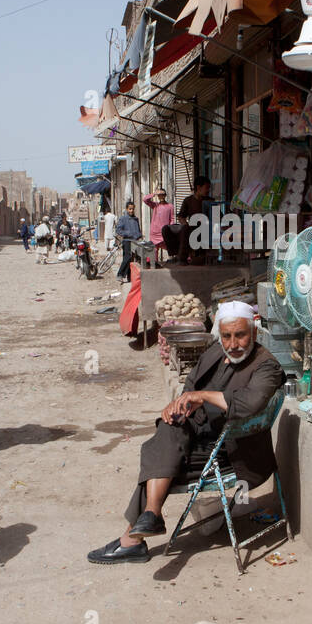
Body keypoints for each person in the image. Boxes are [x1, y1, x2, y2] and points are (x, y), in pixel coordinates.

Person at [88, 302, 285, 564]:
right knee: (169, 428)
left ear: (255, 333)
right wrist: (178, 406)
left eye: (241, 335)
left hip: (233, 449)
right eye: (227, 336)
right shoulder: (215, 352)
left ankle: (135, 536)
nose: (234, 343)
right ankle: (149, 516)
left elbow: (249, 403)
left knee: (160, 461)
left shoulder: (266, 366)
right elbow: (190, 385)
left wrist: (202, 397)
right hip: (198, 436)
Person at [162, 175, 211, 265]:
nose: (208, 190)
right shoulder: (188, 200)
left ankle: (182, 259)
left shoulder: (210, 201)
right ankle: (176, 255)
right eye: (206, 188)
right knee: (166, 229)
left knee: (185, 230)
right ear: (198, 187)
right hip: (191, 228)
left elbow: (219, 217)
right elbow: (181, 217)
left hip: (204, 231)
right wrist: (186, 224)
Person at [143, 187, 174, 266]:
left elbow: (172, 219)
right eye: (159, 195)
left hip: (164, 232)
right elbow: (145, 200)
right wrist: (154, 194)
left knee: (170, 247)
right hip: (155, 232)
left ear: (165, 195)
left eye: (163, 195)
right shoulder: (155, 205)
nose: (161, 196)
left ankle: (173, 261)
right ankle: (154, 264)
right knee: (154, 250)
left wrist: (171, 229)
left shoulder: (170, 206)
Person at [115, 200, 142, 284]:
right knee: (127, 257)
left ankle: (129, 276)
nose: (131, 210)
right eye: (130, 209)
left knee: (131, 259)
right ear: (127, 209)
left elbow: (138, 229)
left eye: (133, 209)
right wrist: (128, 233)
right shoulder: (123, 219)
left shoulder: (136, 219)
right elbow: (118, 230)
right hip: (127, 241)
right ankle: (120, 274)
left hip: (135, 241)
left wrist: (139, 235)